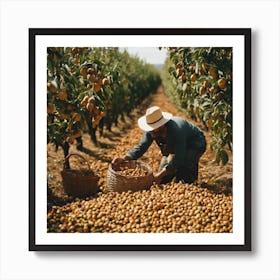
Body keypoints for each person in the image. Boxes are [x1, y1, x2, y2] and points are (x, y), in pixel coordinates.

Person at [112, 106, 206, 184]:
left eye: (153, 129)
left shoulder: (177, 130)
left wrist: (160, 174)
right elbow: (141, 147)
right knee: (163, 178)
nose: (151, 131)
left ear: (162, 125)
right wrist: (125, 158)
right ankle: (176, 176)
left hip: (195, 143)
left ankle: (191, 180)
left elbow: (179, 157)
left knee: (184, 170)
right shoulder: (151, 131)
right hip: (176, 146)